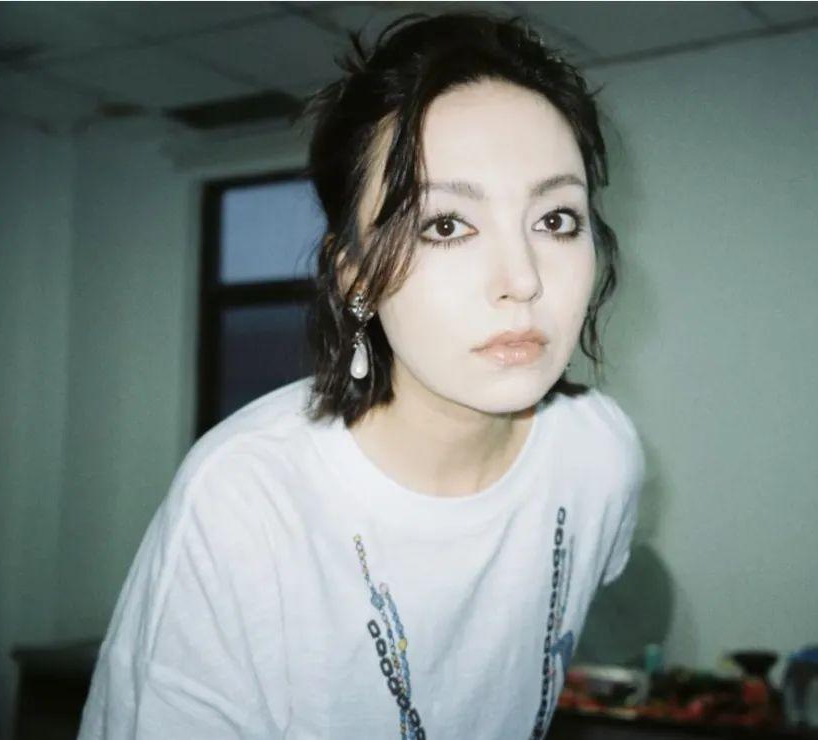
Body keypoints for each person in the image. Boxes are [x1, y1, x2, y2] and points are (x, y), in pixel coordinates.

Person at [78, 11, 644, 739]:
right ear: (356, 278)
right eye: (446, 225)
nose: (523, 279)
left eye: (556, 219)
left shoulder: (599, 454)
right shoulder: (247, 503)